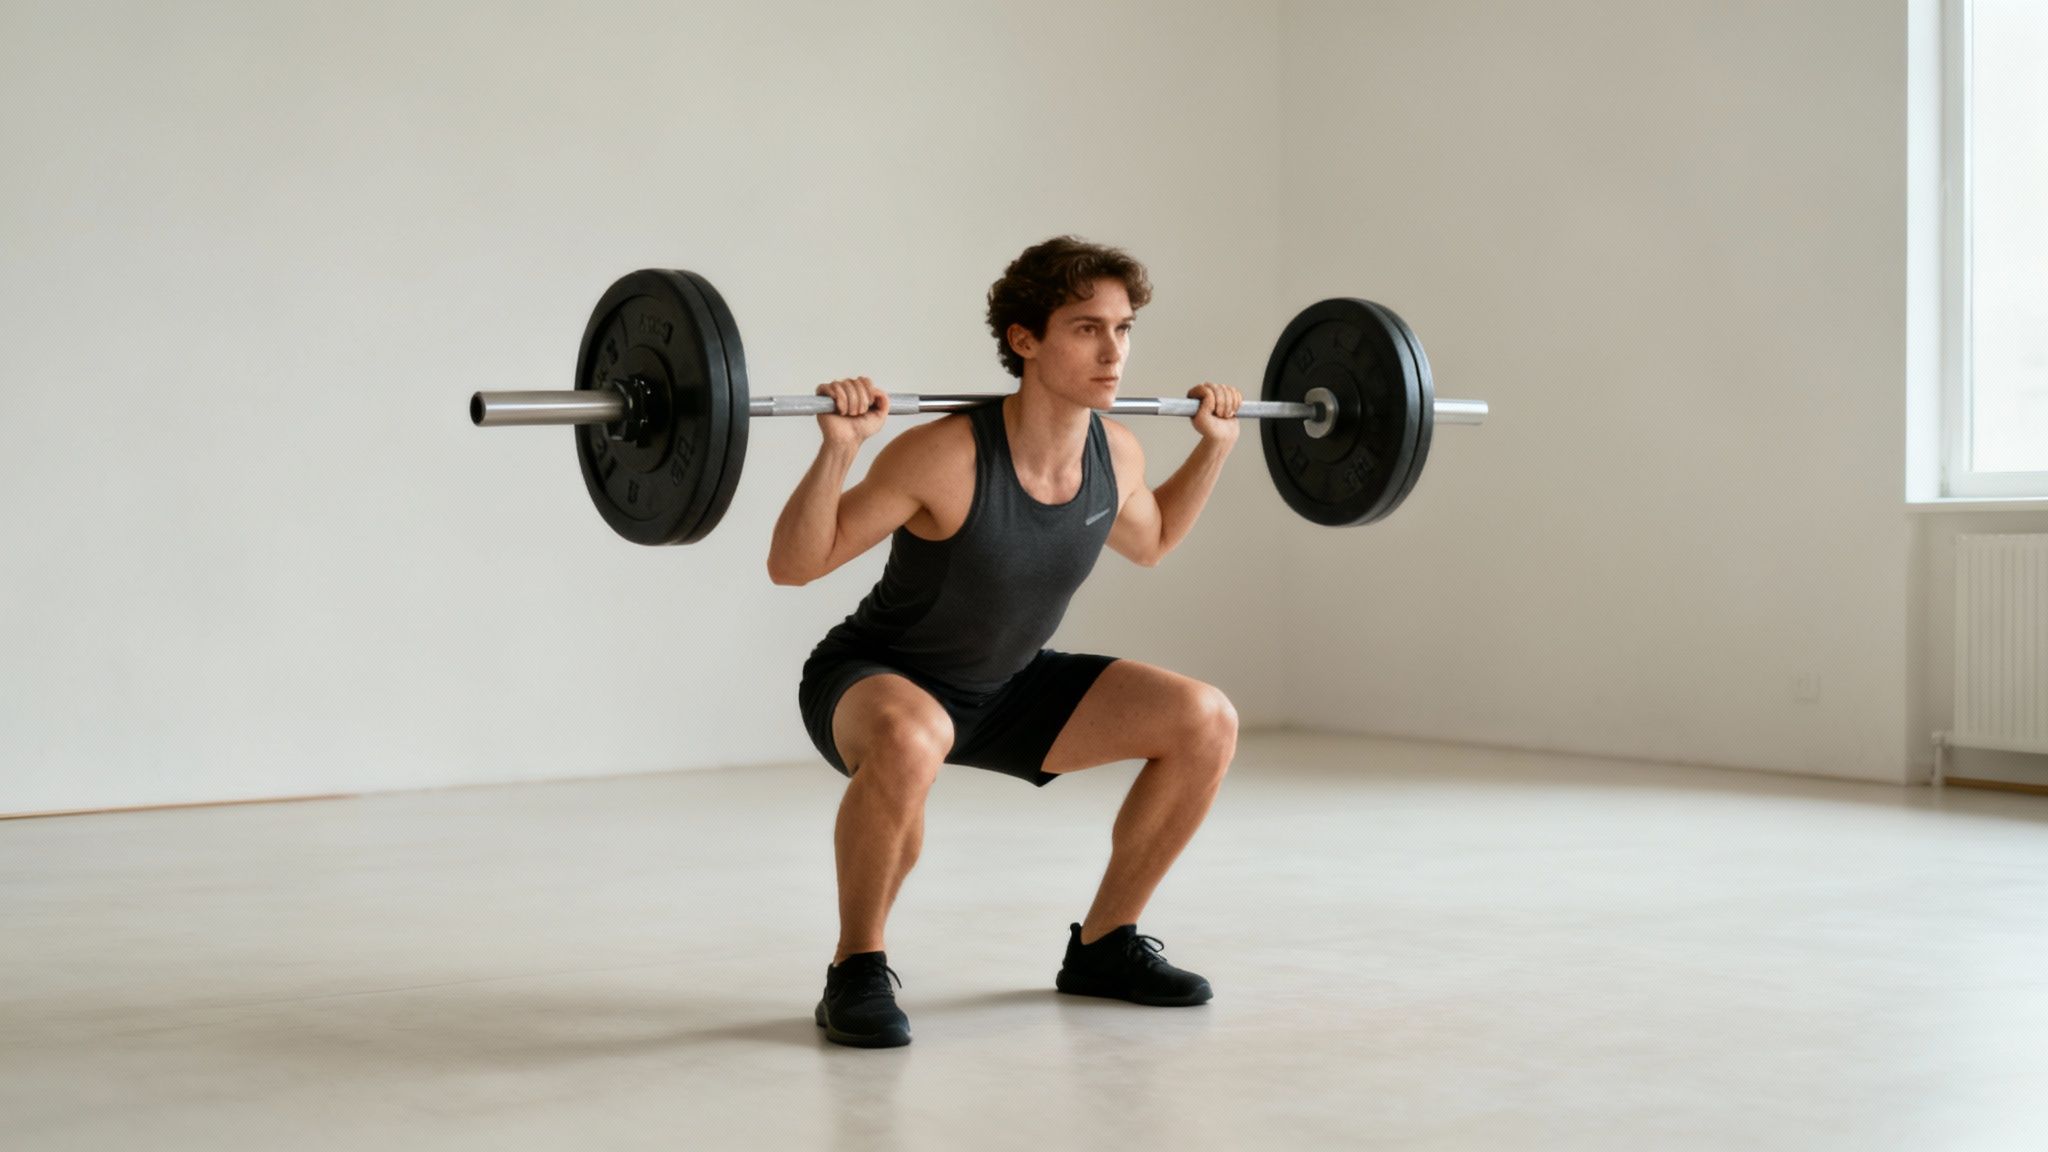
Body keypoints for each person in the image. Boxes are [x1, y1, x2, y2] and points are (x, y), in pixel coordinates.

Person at [767, 236, 1243, 1048]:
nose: (1114, 351)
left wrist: (1214, 448)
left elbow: (1153, 538)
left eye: (1123, 329)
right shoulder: (946, 454)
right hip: (879, 678)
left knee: (1205, 718)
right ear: (1025, 341)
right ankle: (856, 967)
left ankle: (1104, 946)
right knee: (915, 737)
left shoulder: (1114, 450)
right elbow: (794, 565)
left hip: (1006, 685)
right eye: (1086, 328)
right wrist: (839, 450)